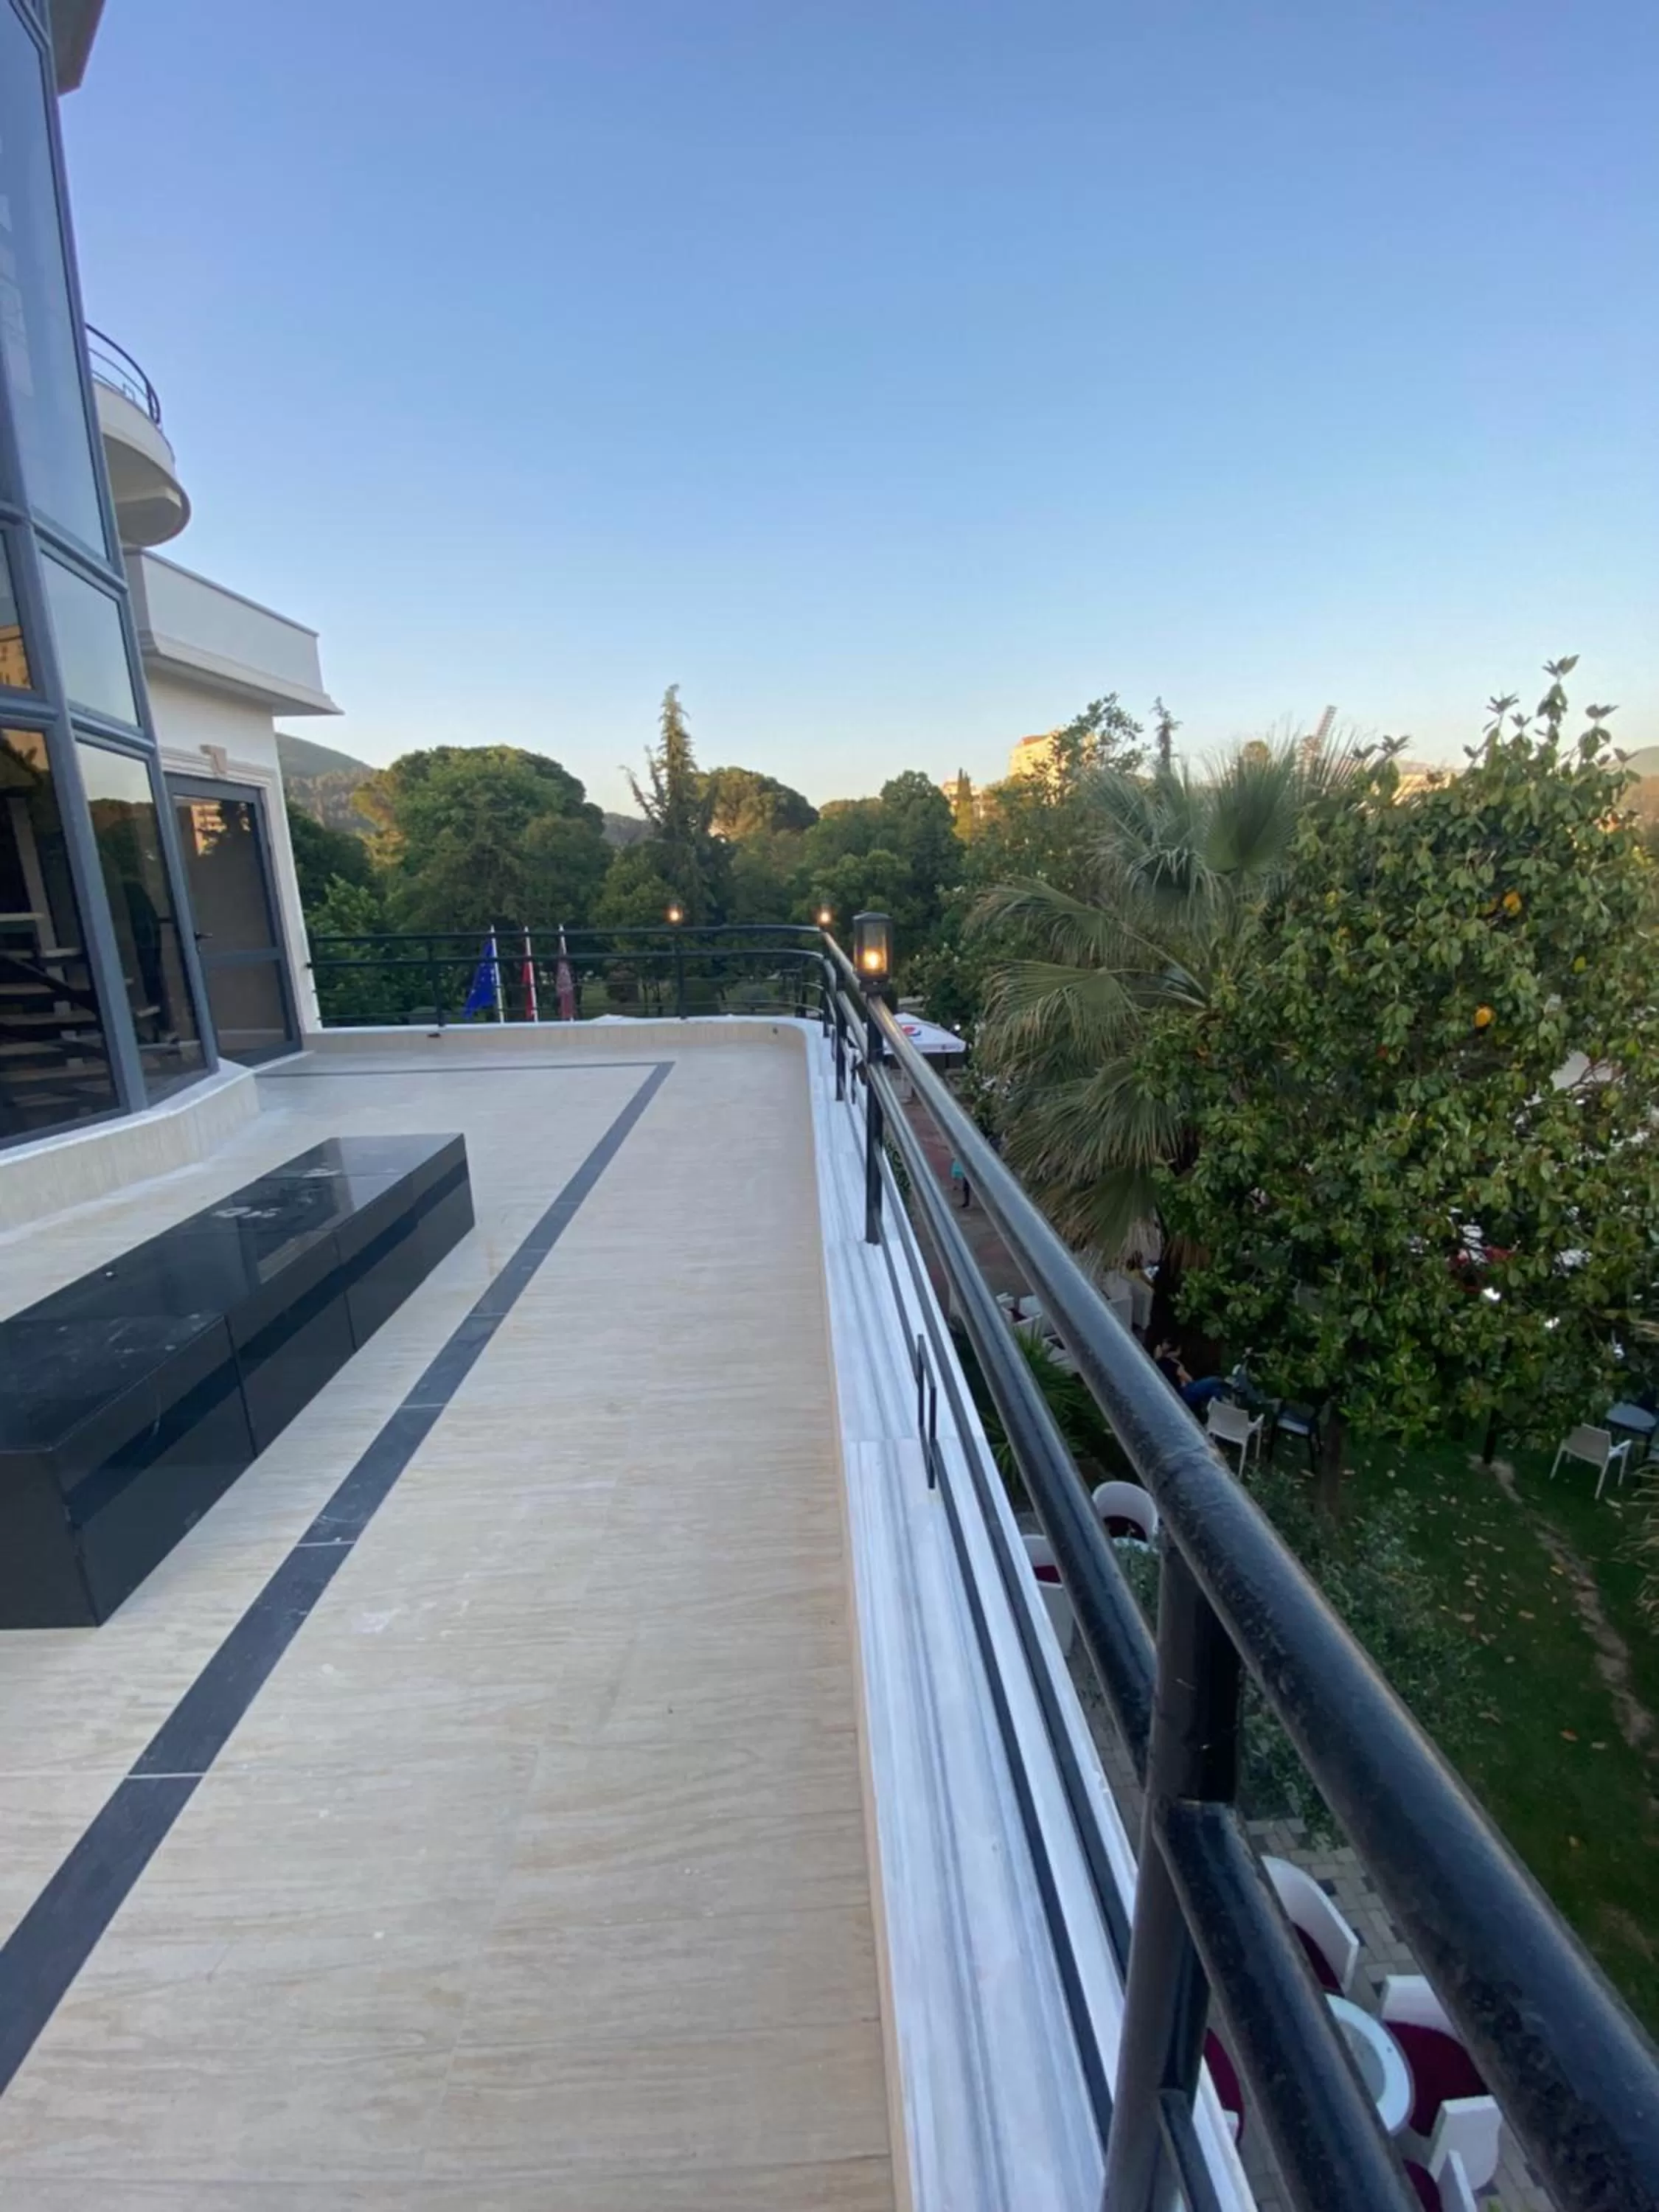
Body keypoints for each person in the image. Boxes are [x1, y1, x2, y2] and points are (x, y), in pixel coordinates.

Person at [1153, 1340, 1228, 1413]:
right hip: (1180, 1396)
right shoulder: (1171, 1363)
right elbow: (1189, 1379)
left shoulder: (1154, 1367)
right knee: (1215, 1381)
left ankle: (1214, 1407)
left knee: (1213, 1388)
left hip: (1172, 1397)